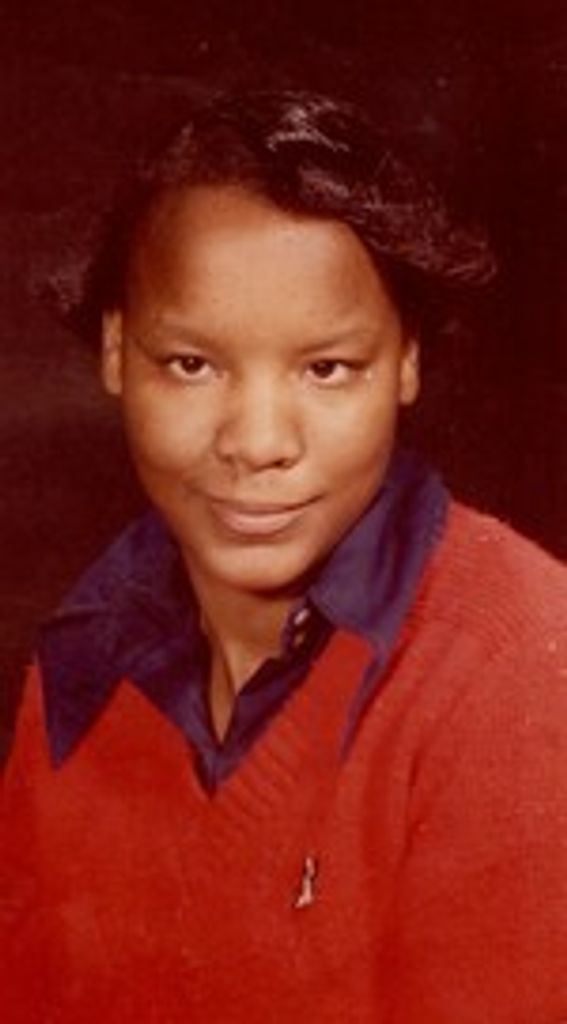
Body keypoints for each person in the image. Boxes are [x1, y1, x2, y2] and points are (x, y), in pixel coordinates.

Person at [2, 89, 567, 1024]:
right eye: (191, 365)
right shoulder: (80, 665)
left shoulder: (521, 671)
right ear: (115, 350)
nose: (258, 443)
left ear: (406, 362)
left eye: (326, 369)